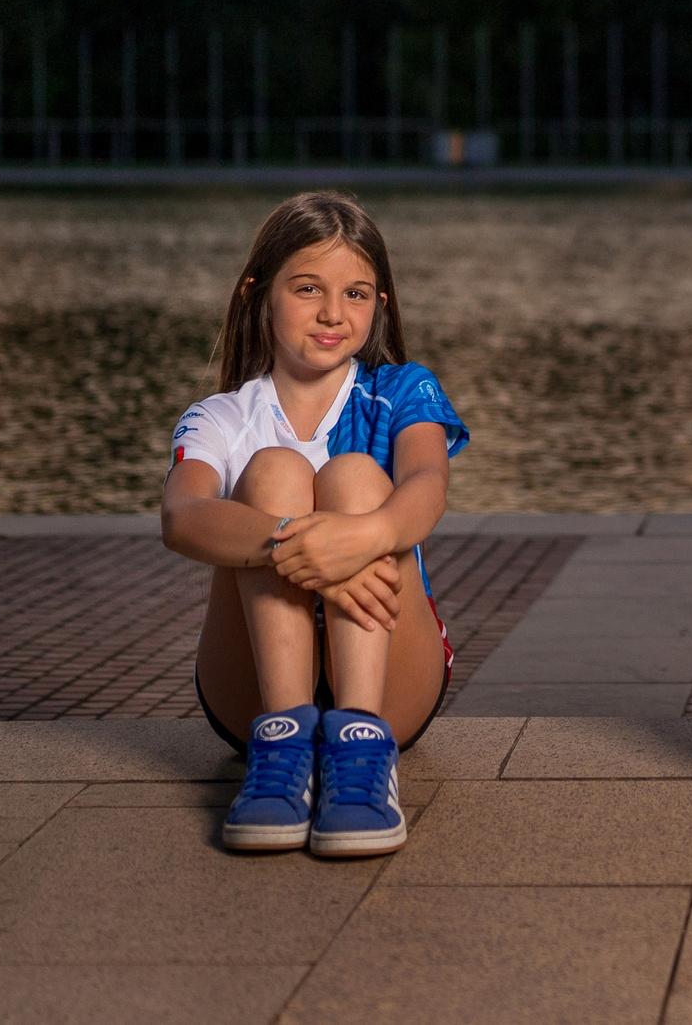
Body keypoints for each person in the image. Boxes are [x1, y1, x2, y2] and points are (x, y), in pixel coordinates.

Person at [161, 191, 467, 857]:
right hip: (250, 684)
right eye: (307, 287)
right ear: (257, 293)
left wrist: (362, 537)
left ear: (380, 303)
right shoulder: (222, 415)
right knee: (272, 471)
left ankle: (360, 749)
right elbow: (181, 517)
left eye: (357, 292)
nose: (334, 312)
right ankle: (282, 742)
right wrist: (295, 548)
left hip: (393, 673)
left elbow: (427, 485)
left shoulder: (402, 389)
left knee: (356, 476)